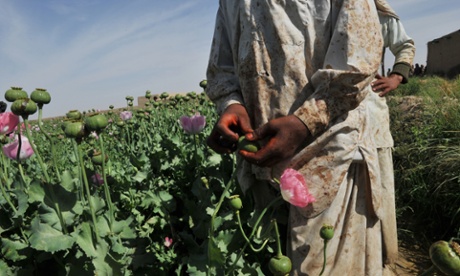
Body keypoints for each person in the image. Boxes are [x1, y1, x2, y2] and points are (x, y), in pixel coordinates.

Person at [205, 1, 388, 275]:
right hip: (264, 163)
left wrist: (307, 119)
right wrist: (232, 103)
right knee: (275, 256)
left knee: (323, 267)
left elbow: (359, 56)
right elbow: (223, 67)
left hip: (332, 153)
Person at [370, 0, 415, 268]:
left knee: (380, 181)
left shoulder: (378, 14)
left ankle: (382, 257)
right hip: (326, 118)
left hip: (370, 110)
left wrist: (396, 76)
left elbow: (405, 45)